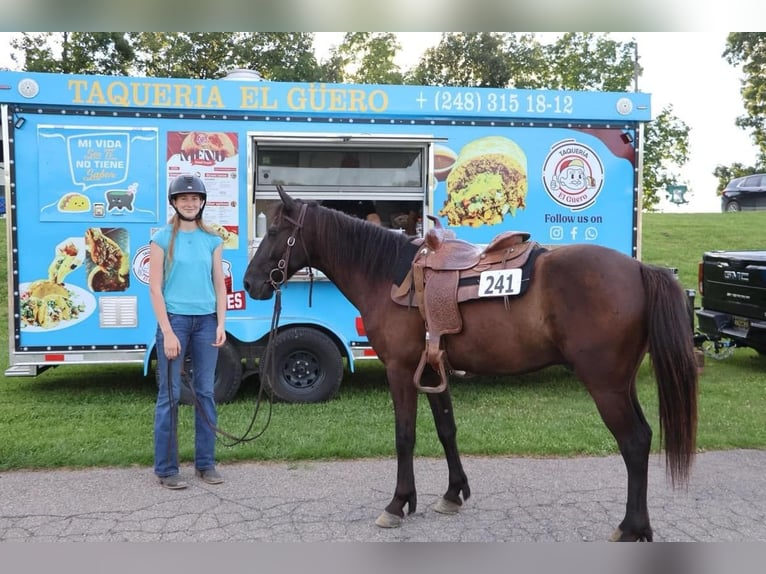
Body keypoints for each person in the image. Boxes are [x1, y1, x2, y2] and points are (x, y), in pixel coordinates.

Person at [149, 175, 227, 490]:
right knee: (170, 396)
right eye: (183, 199)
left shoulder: (213, 240)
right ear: (174, 203)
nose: (190, 203)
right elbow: (155, 289)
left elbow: (220, 284)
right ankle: (166, 469)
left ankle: (205, 464)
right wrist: (167, 332)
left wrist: (221, 323)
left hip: (207, 321)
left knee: (205, 393)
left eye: (194, 198)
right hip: (175, 321)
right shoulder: (161, 238)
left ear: (202, 202)